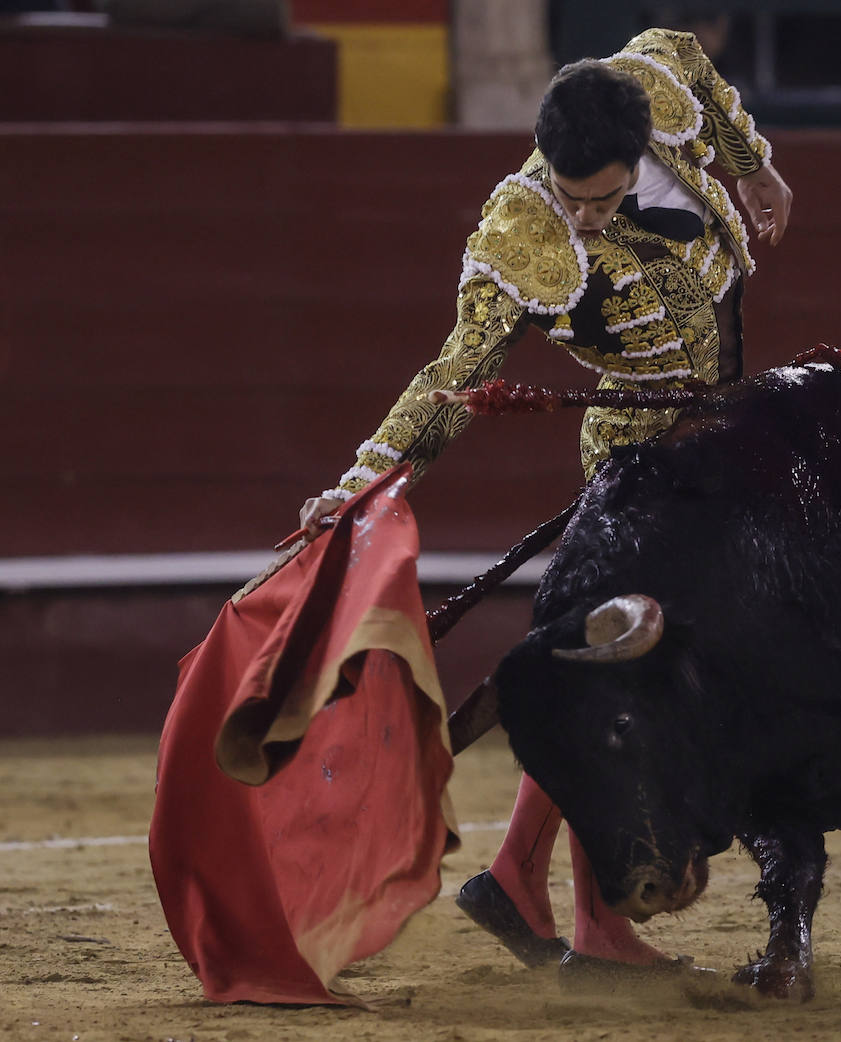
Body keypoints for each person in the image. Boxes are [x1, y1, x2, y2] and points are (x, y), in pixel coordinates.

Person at [296, 28, 792, 981]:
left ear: (643, 151)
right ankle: (577, 911)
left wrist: (757, 171)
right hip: (636, 467)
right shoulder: (524, 235)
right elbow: (454, 380)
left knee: (627, 677)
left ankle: (523, 878)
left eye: (604, 198)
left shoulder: (652, 82)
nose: (589, 219)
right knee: (623, 681)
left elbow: (694, 63)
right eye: (574, 199)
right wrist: (363, 484)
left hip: (717, 431)